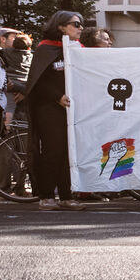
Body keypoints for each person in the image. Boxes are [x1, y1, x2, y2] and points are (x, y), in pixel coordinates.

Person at [26, 12, 84, 210]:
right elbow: (37, 82)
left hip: (71, 109)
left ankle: (66, 196)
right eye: (76, 24)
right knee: (53, 151)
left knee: (69, 152)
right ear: (61, 26)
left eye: (81, 24)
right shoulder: (46, 49)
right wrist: (57, 97)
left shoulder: (77, 49)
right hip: (49, 108)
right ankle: (46, 196)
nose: (80, 28)